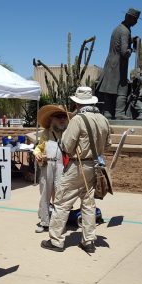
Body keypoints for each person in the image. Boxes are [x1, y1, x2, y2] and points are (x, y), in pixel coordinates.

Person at [40, 87, 111, 254]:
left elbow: (66, 145)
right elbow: (108, 145)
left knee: (62, 202)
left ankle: (56, 241)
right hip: (94, 166)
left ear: (77, 103)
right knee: (88, 204)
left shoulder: (78, 120)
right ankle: (89, 240)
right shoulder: (103, 119)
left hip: (77, 166)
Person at [95, 8, 140, 119]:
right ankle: (119, 113)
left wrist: (130, 40)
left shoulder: (117, 29)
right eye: (135, 19)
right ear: (130, 18)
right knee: (122, 88)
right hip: (119, 65)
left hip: (110, 63)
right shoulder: (125, 31)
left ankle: (108, 113)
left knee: (109, 89)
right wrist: (132, 49)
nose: (136, 22)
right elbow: (124, 52)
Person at [33, 104, 69, 233]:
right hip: (47, 165)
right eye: (58, 116)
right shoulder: (46, 133)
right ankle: (44, 222)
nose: (62, 119)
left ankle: (59, 223)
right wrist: (37, 153)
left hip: (63, 166)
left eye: (64, 116)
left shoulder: (69, 133)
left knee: (61, 196)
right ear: (51, 119)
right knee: (45, 194)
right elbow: (39, 147)